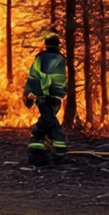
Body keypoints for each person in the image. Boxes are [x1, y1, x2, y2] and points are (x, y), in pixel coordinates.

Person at [24, 31, 69, 165]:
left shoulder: (40, 59)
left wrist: (28, 95)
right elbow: (62, 81)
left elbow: (32, 78)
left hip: (43, 97)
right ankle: (58, 151)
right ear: (57, 45)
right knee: (51, 123)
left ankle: (37, 148)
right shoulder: (61, 59)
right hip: (54, 98)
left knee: (46, 122)